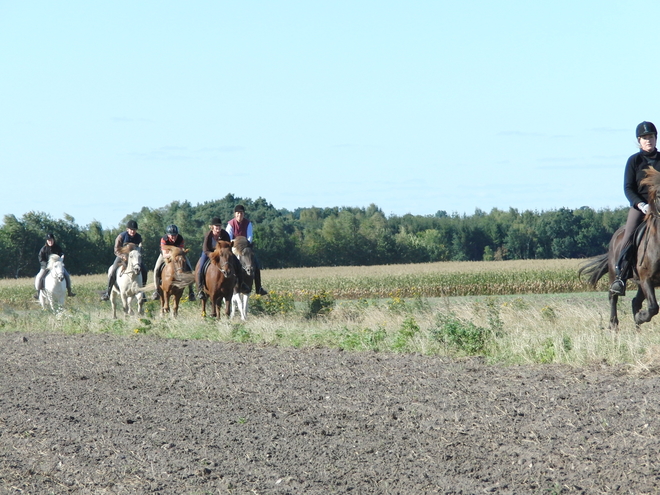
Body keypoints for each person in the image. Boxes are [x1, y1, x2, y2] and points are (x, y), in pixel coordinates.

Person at [610, 121, 659, 295]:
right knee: (629, 235)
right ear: (639, 140)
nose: (648, 140)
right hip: (640, 207)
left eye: (651, 137)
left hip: (659, 207)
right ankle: (620, 277)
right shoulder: (634, 161)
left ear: (655, 138)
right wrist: (641, 204)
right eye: (645, 138)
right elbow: (628, 188)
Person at [100, 220, 148, 301]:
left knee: (144, 270)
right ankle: (108, 292)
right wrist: (122, 256)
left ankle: (142, 292)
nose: (133, 231)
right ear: (127, 229)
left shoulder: (138, 237)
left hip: (134, 258)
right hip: (122, 256)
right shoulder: (121, 236)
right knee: (113, 270)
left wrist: (138, 255)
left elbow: (140, 249)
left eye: (134, 230)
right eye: (131, 229)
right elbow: (116, 250)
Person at [226, 204, 268, 295]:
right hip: (234, 248)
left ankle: (259, 287)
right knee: (227, 264)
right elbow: (228, 238)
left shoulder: (248, 223)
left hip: (245, 248)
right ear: (235, 214)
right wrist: (237, 243)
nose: (239, 215)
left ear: (244, 214)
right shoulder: (230, 224)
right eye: (238, 213)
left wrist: (244, 243)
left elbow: (250, 237)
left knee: (256, 264)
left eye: (241, 213)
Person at [196, 217, 241, 300]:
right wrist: (213, 255)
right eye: (216, 226)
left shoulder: (225, 234)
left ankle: (240, 283)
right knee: (200, 267)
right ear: (212, 227)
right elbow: (205, 249)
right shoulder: (208, 235)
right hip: (209, 253)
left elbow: (228, 247)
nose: (218, 228)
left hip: (222, 254)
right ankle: (200, 289)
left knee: (237, 263)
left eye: (219, 226)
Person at [151, 224, 196, 301]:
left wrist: (178, 254)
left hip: (178, 255)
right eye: (171, 235)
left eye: (175, 235)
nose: (173, 237)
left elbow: (181, 251)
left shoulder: (180, 238)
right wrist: (172, 254)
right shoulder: (164, 239)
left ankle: (191, 291)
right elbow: (165, 254)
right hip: (165, 255)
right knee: (156, 269)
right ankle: (156, 290)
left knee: (189, 268)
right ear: (168, 235)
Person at [34, 233, 75, 298]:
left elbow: (61, 254)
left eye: (51, 240)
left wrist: (62, 257)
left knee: (67, 275)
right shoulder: (43, 249)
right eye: (48, 240)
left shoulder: (58, 248)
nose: (50, 241)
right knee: (39, 277)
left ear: (53, 240)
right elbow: (41, 258)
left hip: (57, 266)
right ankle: (38, 293)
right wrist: (47, 265)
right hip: (46, 267)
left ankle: (69, 291)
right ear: (47, 241)